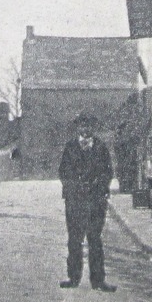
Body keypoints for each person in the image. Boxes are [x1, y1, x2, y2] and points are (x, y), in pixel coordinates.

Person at [58, 112, 115, 292]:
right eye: (82, 126)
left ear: (93, 128)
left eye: (89, 126)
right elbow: (63, 172)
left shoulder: (101, 148)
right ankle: (73, 277)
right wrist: (75, 187)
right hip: (75, 202)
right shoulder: (70, 148)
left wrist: (99, 186)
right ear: (78, 128)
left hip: (95, 202)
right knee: (74, 239)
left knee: (95, 239)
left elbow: (108, 172)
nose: (85, 129)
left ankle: (98, 280)